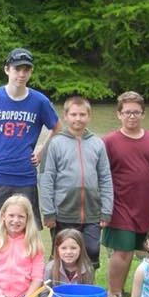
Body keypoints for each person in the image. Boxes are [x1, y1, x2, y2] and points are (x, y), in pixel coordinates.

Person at [0, 48, 61, 250]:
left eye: (26, 69)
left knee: (26, 235)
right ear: (7, 70)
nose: (22, 74)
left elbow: (57, 128)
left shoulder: (39, 101)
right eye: (17, 69)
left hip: (25, 177)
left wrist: (41, 151)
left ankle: (23, 280)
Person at [102, 91, 149, 297]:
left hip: (144, 204)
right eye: (127, 112)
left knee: (141, 250)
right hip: (118, 204)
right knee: (123, 250)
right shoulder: (109, 141)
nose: (132, 116)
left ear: (143, 114)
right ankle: (113, 293)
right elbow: (102, 173)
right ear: (119, 114)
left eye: (136, 112)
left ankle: (126, 289)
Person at [39, 96, 113, 270]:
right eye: (73, 114)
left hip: (92, 212)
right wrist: (48, 211)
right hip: (63, 211)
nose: (78, 118)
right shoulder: (55, 143)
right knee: (63, 252)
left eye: (82, 114)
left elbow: (105, 178)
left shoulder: (97, 143)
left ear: (89, 116)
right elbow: (46, 178)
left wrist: (106, 210)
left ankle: (87, 290)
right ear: (65, 116)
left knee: (92, 251)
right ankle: (56, 289)